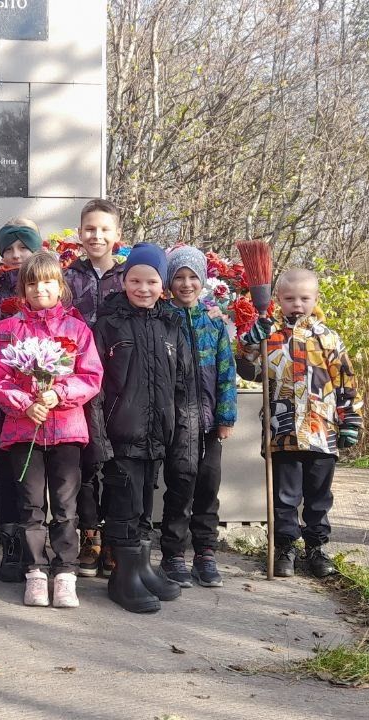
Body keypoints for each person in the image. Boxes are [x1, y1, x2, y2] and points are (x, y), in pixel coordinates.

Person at [0, 252, 103, 608]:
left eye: (48, 282)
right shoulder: (9, 330)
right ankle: (35, 571)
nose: (40, 289)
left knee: (66, 505)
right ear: (22, 289)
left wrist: (59, 394)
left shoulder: (77, 329)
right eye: (32, 283)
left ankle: (65, 572)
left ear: (61, 286)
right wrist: (25, 403)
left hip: (66, 429)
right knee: (31, 504)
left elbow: (91, 375)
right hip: (25, 431)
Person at [237, 268, 363, 578]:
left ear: (316, 299)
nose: (297, 304)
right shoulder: (269, 336)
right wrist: (249, 343)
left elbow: (346, 381)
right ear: (278, 299)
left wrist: (350, 419)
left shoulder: (328, 338)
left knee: (318, 496)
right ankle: (285, 548)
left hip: (322, 431)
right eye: (290, 298)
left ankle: (316, 548)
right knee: (285, 496)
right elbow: (247, 370)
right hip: (282, 430)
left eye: (304, 298)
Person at [93, 243, 198, 613]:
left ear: (162, 285)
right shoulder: (108, 324)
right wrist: (100, 440)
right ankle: (123, 577)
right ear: (124, 281)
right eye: (135, 280)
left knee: (143, 506)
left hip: (157, 436)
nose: (143, 288)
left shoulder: (171, 326)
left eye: (151, 281)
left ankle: (141, 568)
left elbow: (184, 385)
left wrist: (180, 437)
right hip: (121, 436)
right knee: (124, 503)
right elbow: (95, 387)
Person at [160, 246, 237, 589]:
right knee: (180, 485)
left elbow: (226, 372)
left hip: (208, 423)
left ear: (203, 280)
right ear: (169, 282)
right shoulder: (163, 320)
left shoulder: (214, 323)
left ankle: (205, 552)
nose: (186, 284)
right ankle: (173, 553)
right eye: (179, 277)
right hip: (176, 420)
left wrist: (225, 417)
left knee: (208, 485)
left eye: (193, 277)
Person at [63, 199, 128, 578]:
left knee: (117, 464)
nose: (97, 236)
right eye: (90, 228)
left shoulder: (128, 277)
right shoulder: (68, 278)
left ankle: (115, 539)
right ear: (79, 233)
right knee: (85, 465)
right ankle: (90, 537)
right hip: (80, 384)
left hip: (120, 384)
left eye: (104, 229)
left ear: (117, 234)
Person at [0, 219, 42, 583]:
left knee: (37, 477)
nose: (17, 255)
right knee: (7, 472)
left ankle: (38, 547)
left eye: (24, 248)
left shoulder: (49, 289)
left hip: (45, 403)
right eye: (9, 249)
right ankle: (12, 548)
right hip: (2, 402)